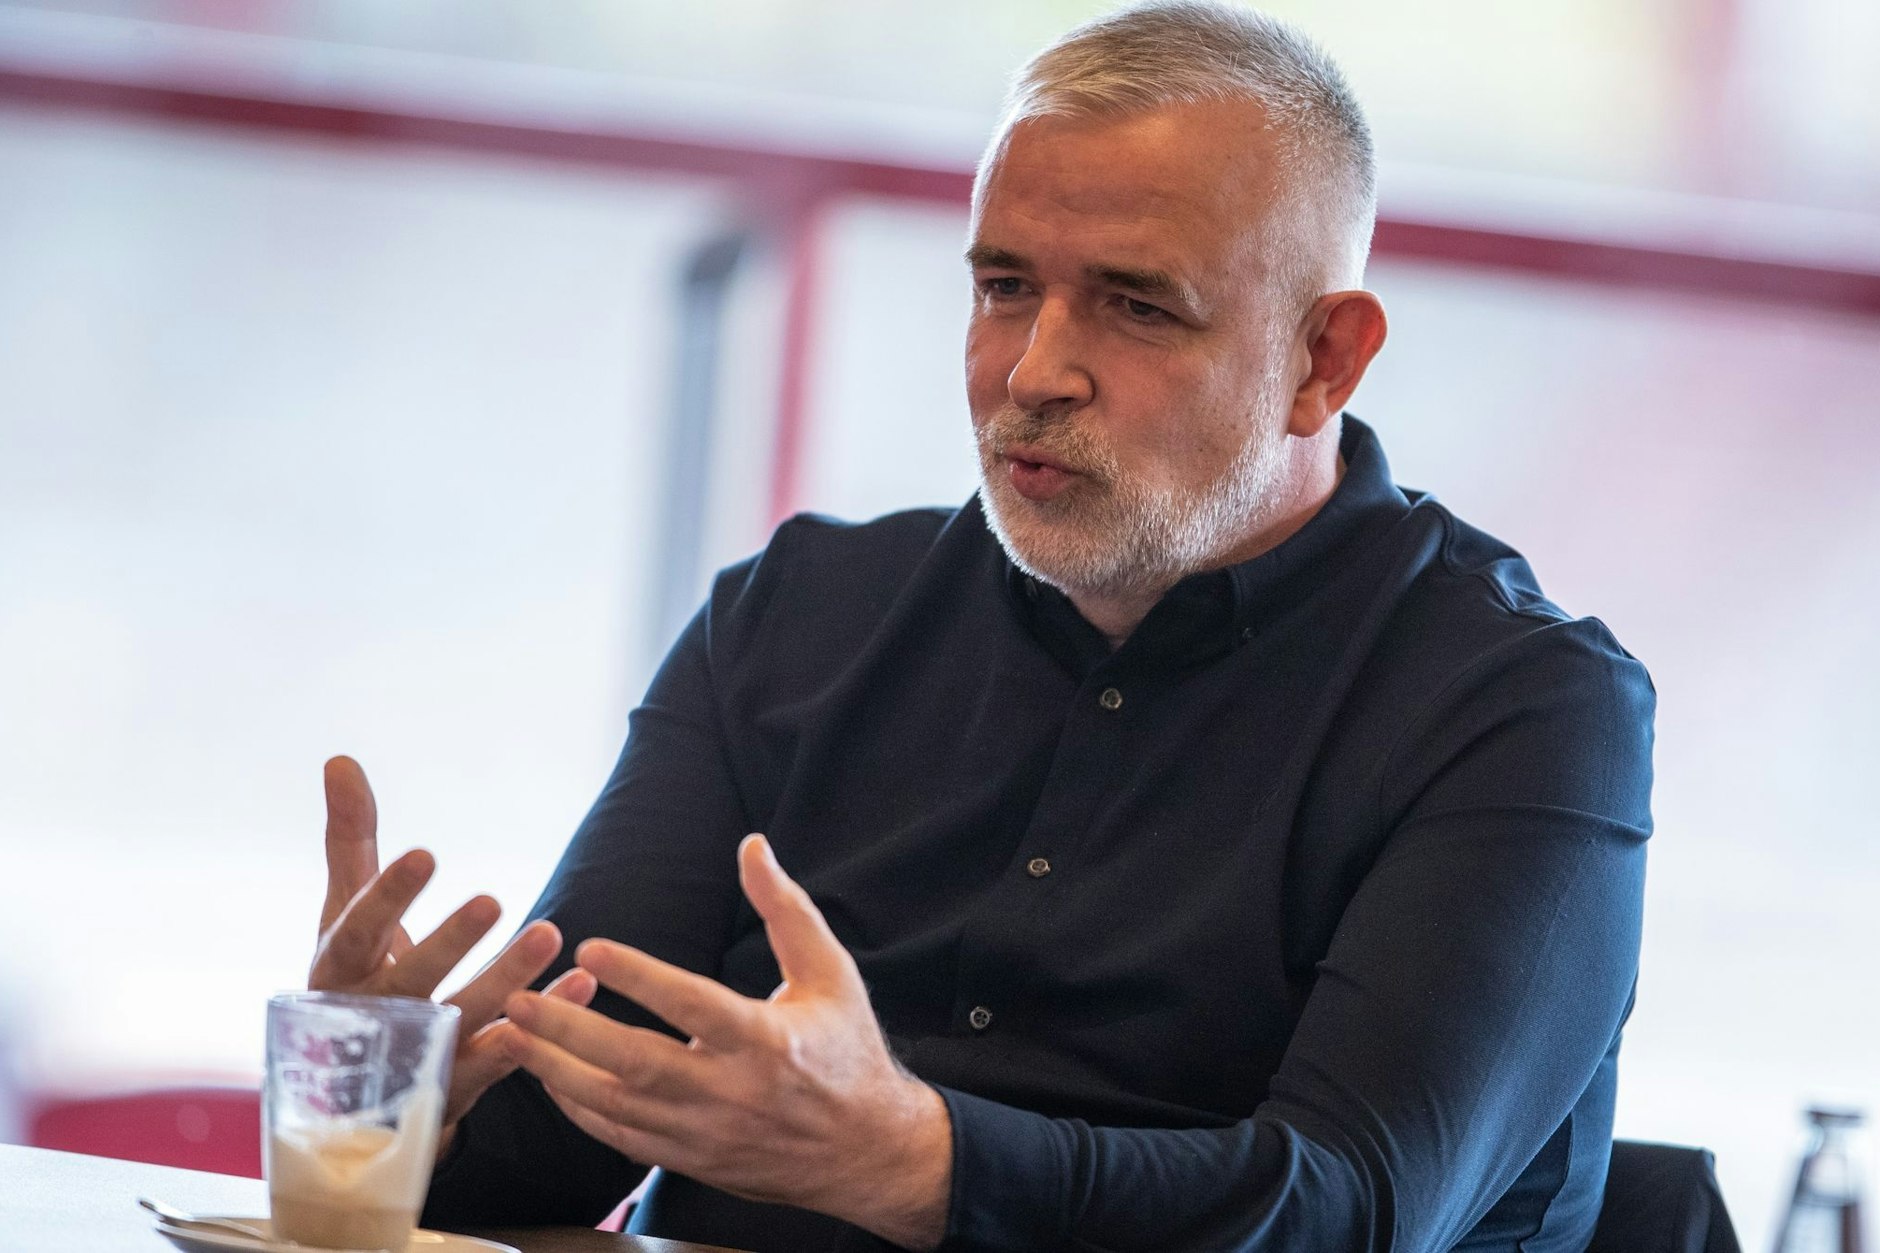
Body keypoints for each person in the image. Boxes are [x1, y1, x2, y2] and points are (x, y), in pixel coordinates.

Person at [308, 3, 1654, 1250]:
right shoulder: (796, 618)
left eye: (1135, 305)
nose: (1032, 370)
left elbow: (1353, 1211)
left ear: (1325, 361)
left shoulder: (1521, 707)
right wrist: (372, 1089)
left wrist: (916, 1160)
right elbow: (544, 1159)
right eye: (1004, 284)